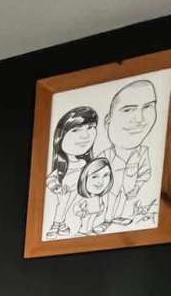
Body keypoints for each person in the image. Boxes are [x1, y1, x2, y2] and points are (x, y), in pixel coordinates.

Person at [97, 79, 158, 229]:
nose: (139, 119)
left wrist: (137, 186)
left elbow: (145, 172)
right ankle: (106, 220)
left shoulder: (143, 152)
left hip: (130, 187)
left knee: (127, 202)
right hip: (110, 188)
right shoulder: (106, 154)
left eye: (148, 106)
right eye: (128, 109)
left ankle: (120, 217)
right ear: (107, 121)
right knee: (110, 203)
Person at [44, 106, 98, 238]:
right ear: (60, 137)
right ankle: (57, 224)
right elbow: (51, 179)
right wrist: (57, 187)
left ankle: (85, 227)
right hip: (66, 192)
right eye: (75, 130)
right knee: (62, 206)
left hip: (80, 196)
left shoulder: (87, 164)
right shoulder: (62, 166)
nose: (85, 135)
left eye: (90, 127)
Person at [73, 157, 114, 235]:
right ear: (85, 178)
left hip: (94, 213)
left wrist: (101, 208)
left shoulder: (98, 197)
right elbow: (77, 206)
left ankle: (89, 230)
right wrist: (80, 212)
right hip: (86, 213)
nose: (100, 181)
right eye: (95, 176)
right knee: (86, 220)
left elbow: (101, 204)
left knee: (92, 219)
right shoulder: (86, 199)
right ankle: (83, 231)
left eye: (106, 175)